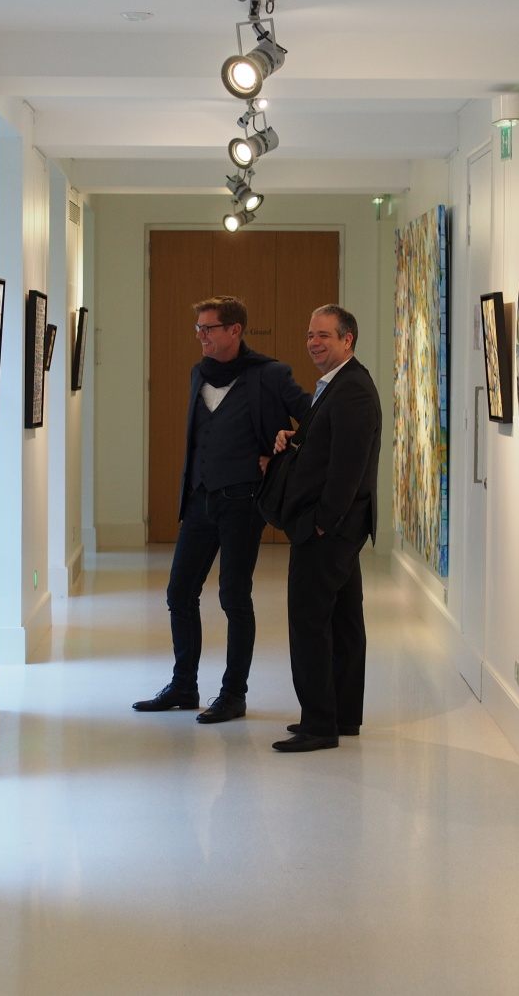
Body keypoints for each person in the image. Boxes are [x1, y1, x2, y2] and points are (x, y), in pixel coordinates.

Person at [133, 295, 310, 723]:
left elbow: (314, 417)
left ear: (235, 330)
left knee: (233, 596)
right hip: (199, 499)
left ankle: (233, 694)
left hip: (242, 502)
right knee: (179, 592)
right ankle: (183, 685)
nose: (200, 336)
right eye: (198, 328)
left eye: (208, 328)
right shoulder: (199, 373)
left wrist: (283, 450)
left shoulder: (269, 374)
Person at [270, 305, 382, 753]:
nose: (313, 343)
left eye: (324, 336)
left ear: (347, 339)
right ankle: (343, 716)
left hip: (330, 530)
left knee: (309, 622)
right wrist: (292, 438)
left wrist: (320, 524)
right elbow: (326, 445)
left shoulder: (352, 389)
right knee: (344, 620)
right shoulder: (338, 384)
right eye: (309, 335)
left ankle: (319, 724)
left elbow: (347, 469)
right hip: (340, 528)